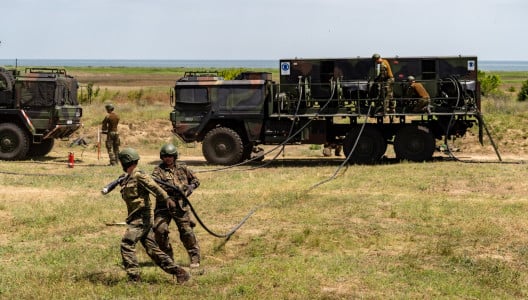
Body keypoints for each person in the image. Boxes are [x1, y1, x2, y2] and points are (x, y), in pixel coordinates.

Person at [116, 147, 191, 283]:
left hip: (141, 219)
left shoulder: (139, 175)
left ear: (125, 162)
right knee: (153, 250)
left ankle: (134, 278)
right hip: (135, 217)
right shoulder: (129, 177)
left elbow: (155, 187)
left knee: (126, 244)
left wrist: (167, 198)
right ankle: (179, 272)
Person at [152, 143, 202, 268]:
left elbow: (196, 180)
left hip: (181, 206)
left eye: (170, 156)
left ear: (175, 157)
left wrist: (190, 187)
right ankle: (168, 258)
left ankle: (194, 258)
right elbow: (155, 185)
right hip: (164, 206)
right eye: (165, 156)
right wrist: (172, 190)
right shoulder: (158, 171)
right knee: (159, 230)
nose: (168, 158)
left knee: (187, 231)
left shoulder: (183, 168)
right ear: (162, 157)